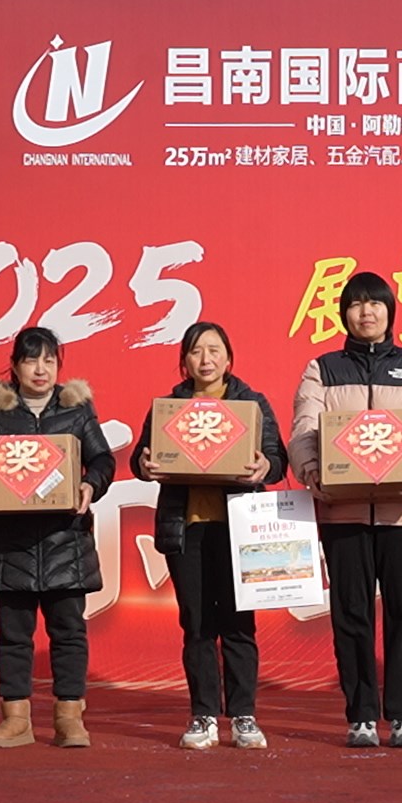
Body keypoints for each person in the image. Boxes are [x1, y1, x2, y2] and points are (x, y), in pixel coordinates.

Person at [288, 272, 402, 748]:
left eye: (376, 304)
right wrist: (312, 471)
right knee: (351, 614)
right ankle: (360, 715)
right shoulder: (324, 368)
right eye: (357, 304)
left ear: (390, 311)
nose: (367, 312)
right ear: (344, 313)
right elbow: (304, 428)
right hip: (344, 512)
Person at [0, 327, 115, 749]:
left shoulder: (76, 409)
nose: (40, 370)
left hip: (66, 543)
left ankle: (69, 718)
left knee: (69, 633)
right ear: (15, 366)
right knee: (12, 635)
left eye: (49, 361)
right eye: (31, 360)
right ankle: (16, 719)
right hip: (11, 545)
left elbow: (102, 459)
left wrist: (91, 485)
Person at [131, 321, 286, 750]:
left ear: (229, 359)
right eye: (197, 351)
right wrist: (145, 464)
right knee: (197, 624)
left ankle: (244, 715)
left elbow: (276, 458)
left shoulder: (250, 403)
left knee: (239, 623)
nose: (206, 359)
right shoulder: (168, 408)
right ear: (184, 361)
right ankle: (202, 715)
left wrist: (264, 467)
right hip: (187, 528)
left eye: (215, 350)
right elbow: (141, 458)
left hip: (239, 529)